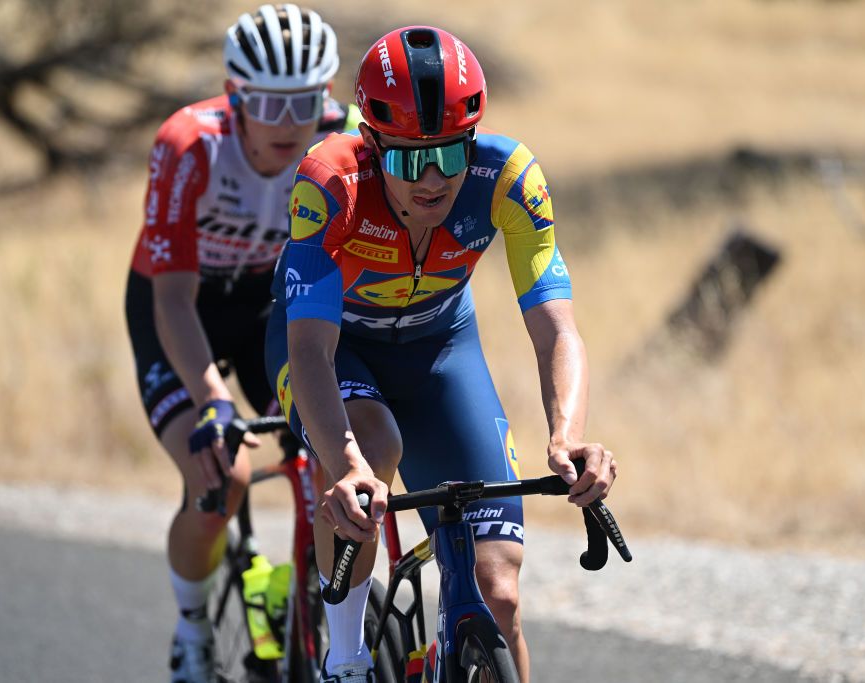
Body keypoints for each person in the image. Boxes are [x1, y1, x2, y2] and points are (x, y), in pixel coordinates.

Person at [265, 26, 618, 683]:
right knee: (373, 446)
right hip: (336, 350)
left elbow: (557, 330)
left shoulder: (508, 177)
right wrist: (344, 465)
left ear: (473, 141)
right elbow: (310, 346)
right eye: (407, 160)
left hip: (437, 349)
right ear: (372, 144)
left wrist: (568, 436)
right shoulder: (330, 181)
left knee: (500, 594)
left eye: (450, 155)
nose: (432, 179)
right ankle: (344, 657)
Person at [124, 5, 361, 682]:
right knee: (221, 478)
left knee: (327, 453)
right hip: (178, 307)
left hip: (266, 308)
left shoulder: (342, 136)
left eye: (306, 102)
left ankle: (314, 605)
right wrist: (213, 403)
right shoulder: (188, 143)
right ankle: (192, 628)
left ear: (327, 93)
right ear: (235, 95)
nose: (290, 124)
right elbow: (170, 297)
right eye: (268, 104)